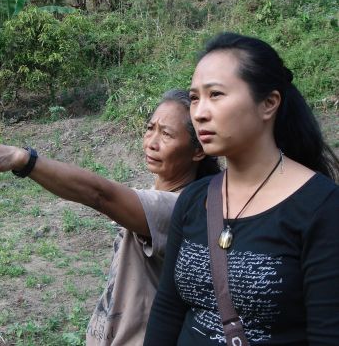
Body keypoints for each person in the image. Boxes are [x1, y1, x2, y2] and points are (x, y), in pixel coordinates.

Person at [0, 90, 220, 346]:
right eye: (149, 129)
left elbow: (99, 194)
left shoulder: (181, 208)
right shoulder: (168, 197)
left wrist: (23, 160)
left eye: (167, 135)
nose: (152, 142)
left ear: (198, 150)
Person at [143, 33, 339, 345]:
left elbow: (327, 333)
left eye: (216, 94)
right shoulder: (195, 199)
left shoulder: (321, 206)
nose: (199, 113)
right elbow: (168, 309)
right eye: (195, 98)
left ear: (269, 104)